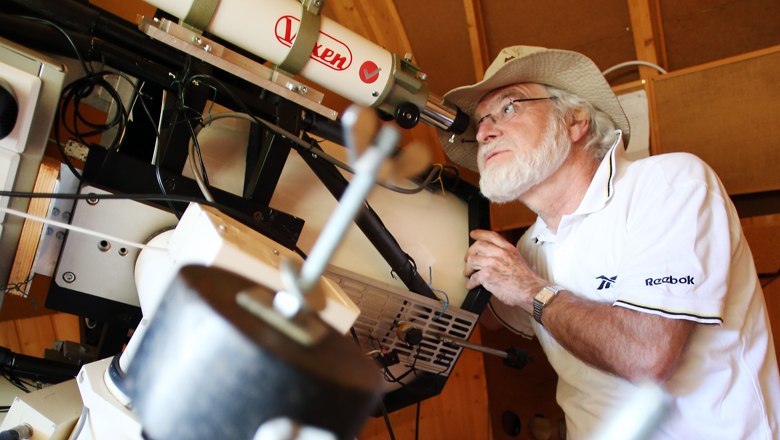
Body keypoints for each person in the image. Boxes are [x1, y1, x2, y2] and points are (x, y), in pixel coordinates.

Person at [437, 45, 780, 439]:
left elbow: (646, 356)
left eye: (509, 108)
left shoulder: (668, 184)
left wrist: (530, 290)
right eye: (481, 122)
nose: (483, 132)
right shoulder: (530, 247)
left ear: (575, 120)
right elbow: (494, 317)